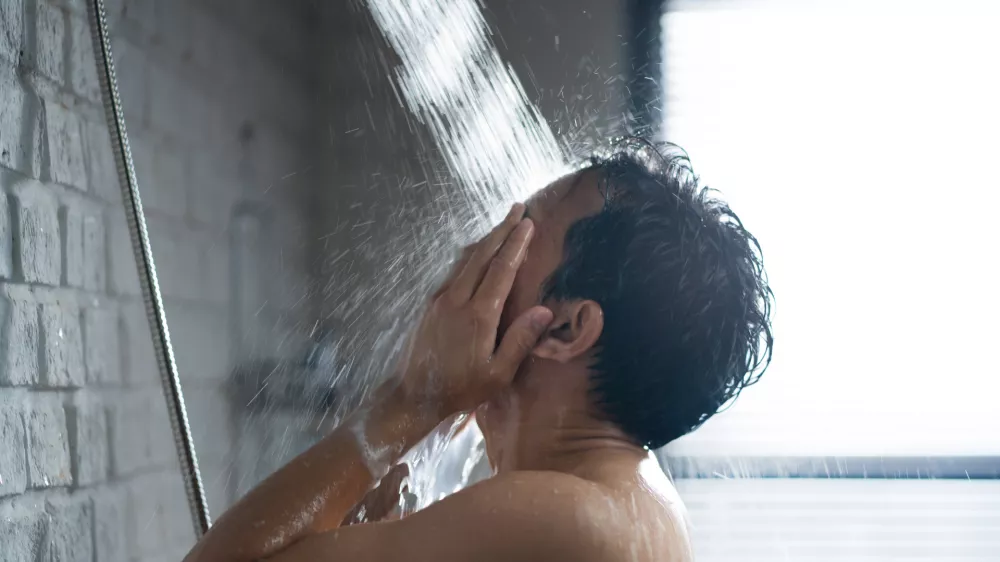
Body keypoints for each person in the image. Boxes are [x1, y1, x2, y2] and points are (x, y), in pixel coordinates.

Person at [183, 137, 774, 562]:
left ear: (566, 330)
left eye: (519, 234)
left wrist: (409, 402)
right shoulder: (640, 503)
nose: (478, 250)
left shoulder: (567, 517)